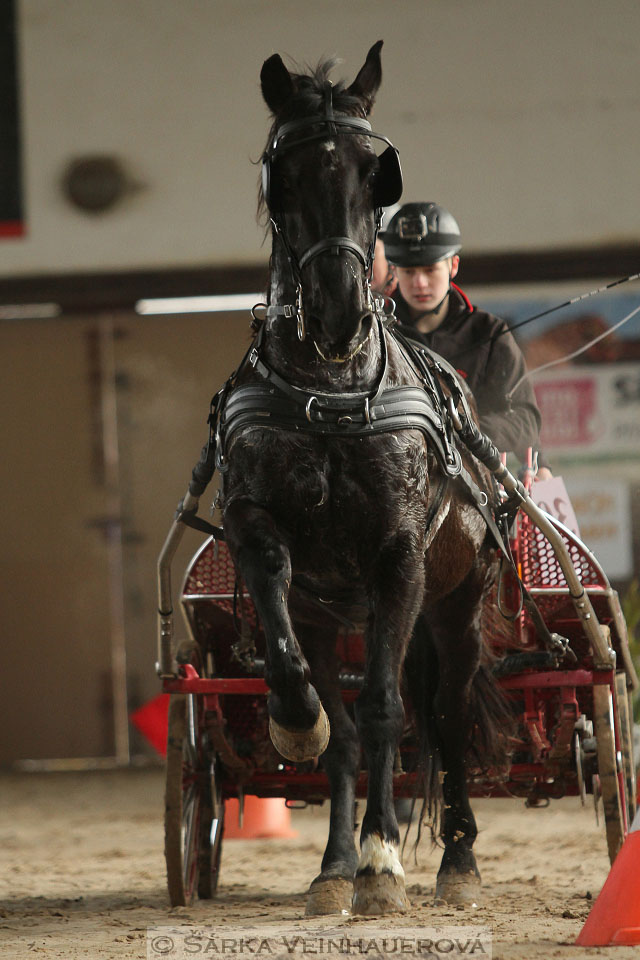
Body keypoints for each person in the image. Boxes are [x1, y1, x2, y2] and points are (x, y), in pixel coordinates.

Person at [380, 201, 551, 476]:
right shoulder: (378, 332)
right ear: (394, 272)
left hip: (476, 485)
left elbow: (526, 421)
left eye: (429, 270)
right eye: (409, 272)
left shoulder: (490, 334)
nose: (420, 283)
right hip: (399, 478)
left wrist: (463, 430)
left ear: (453, 265)